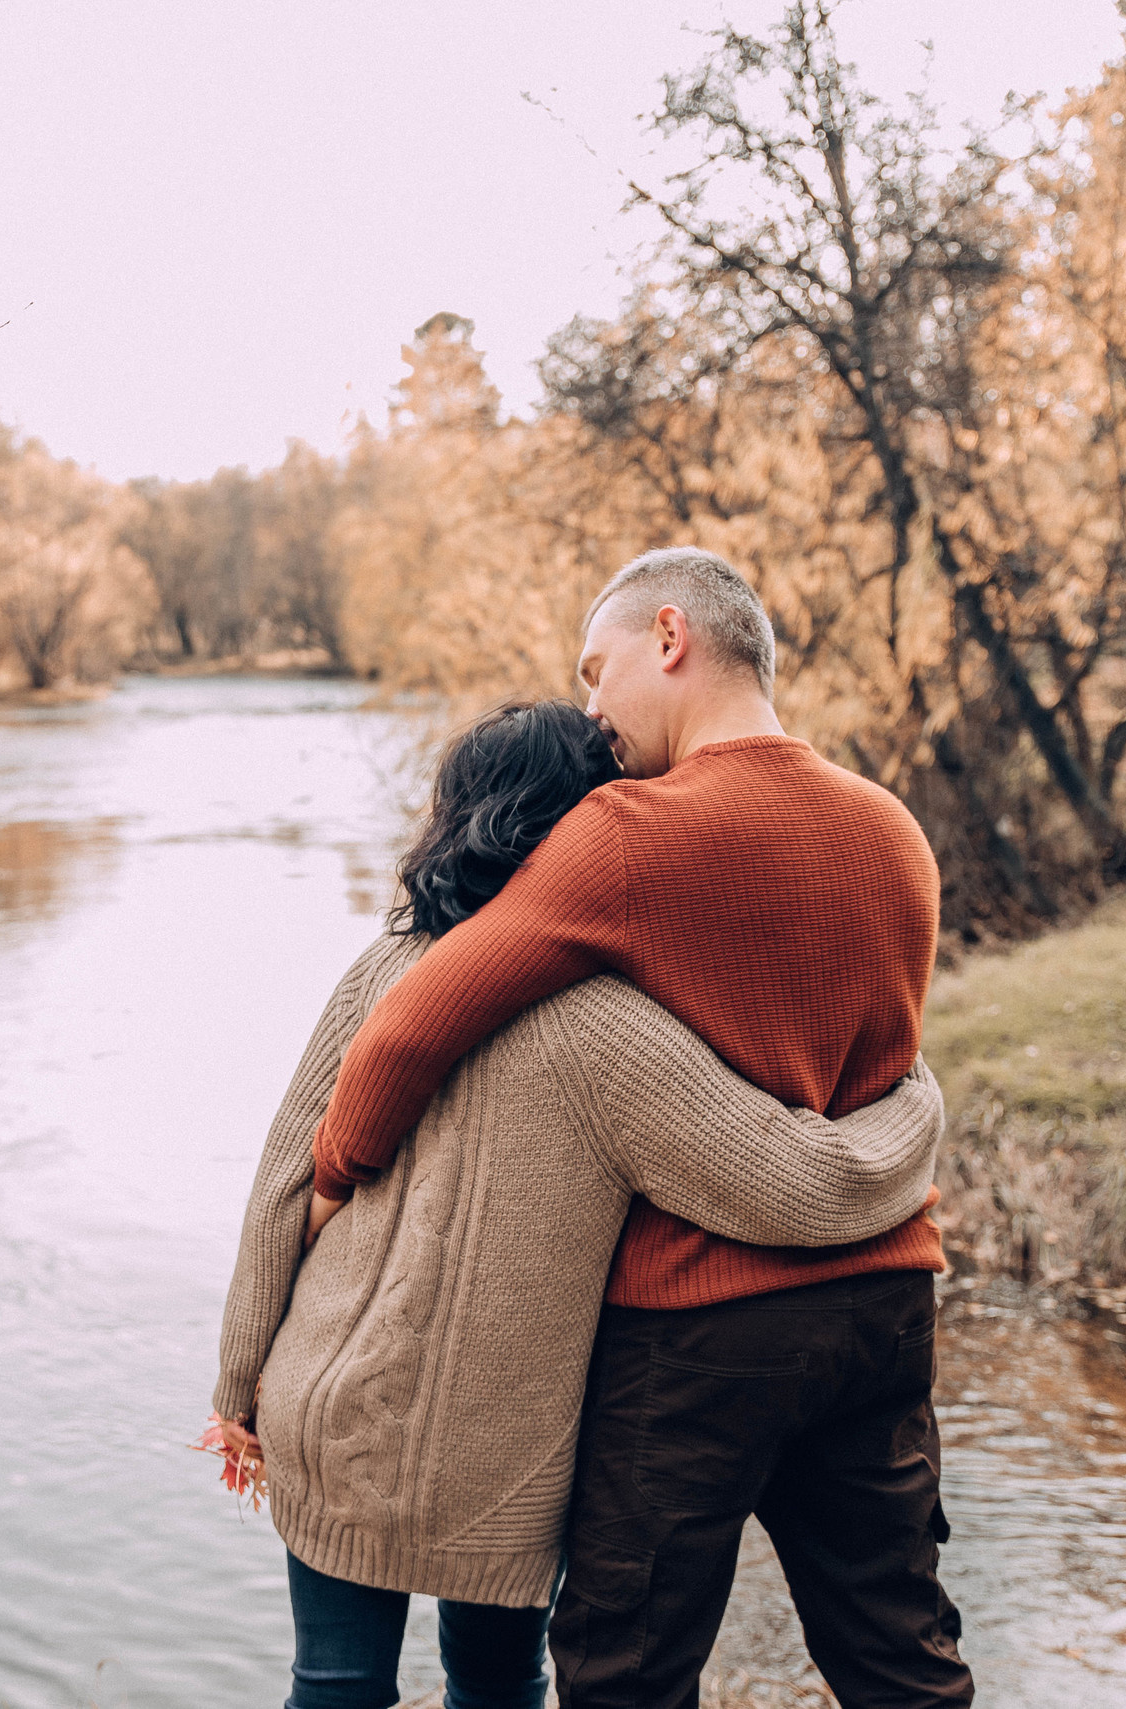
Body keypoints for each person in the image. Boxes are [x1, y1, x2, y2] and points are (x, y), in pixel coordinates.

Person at [306, 548, 973, 1707]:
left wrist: (334, 1173)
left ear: (670, 637)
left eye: (595, 670)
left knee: (626, 1667)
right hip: (883, 1307)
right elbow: (881, 1062)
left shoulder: (625, 832)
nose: (591, 710)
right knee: (897, 1646)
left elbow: (413, 1022)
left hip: (697, 1331)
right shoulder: (892, 830)